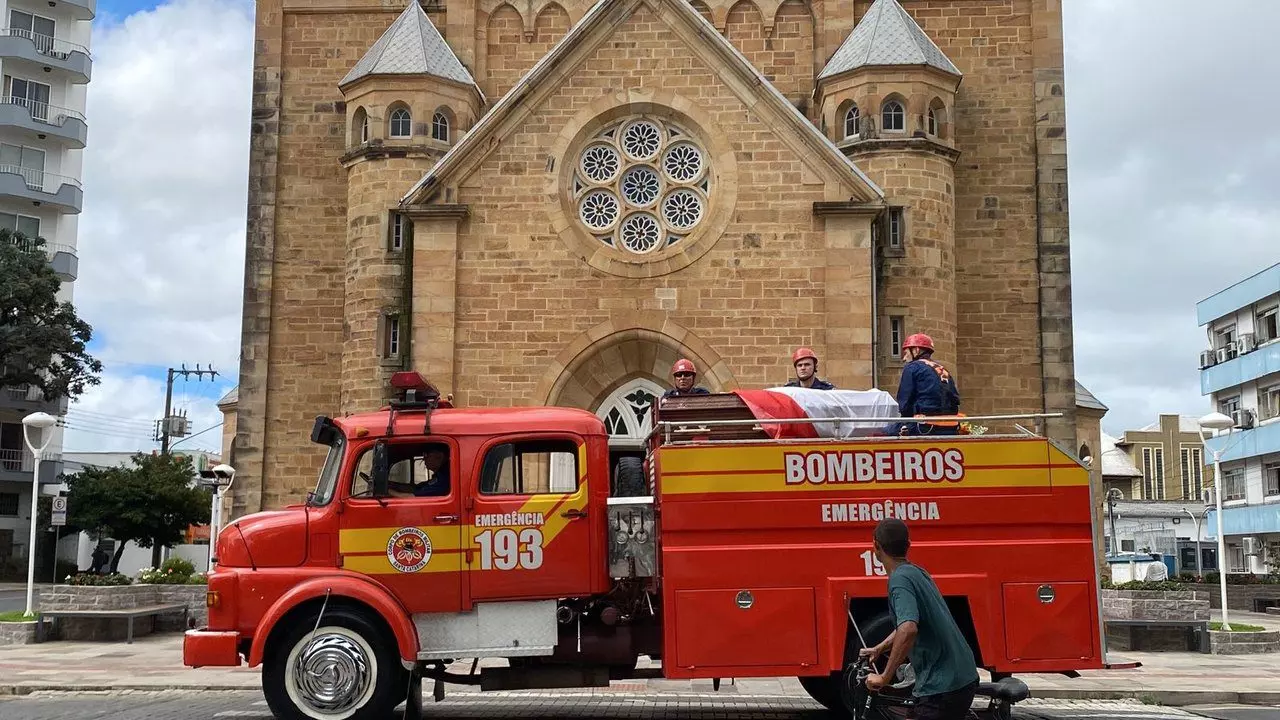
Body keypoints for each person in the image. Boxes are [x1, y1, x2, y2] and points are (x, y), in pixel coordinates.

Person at [860, 518, 979, 720]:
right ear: (908, 545)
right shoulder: (916, 572)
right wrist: (880, 648)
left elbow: (908, 629)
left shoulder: (899, 580)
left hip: (942, 686)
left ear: (875, 546)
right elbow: (909, 623)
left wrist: (884, 677)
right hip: (961, 677)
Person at [894, 333, 960, 435]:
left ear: (916, 350)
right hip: (951, 426)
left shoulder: (912, 367)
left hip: (924, 426)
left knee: (880, 432)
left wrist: (905, 423)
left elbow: (904, 402)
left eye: (906, 353)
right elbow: (955, 398)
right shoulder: (942, 369)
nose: (904, 358)